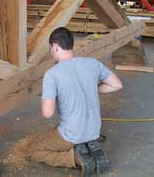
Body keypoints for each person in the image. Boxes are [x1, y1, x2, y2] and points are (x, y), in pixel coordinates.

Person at [26, 27, 123, 175]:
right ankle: (87, 145)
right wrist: (90, 88)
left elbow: (47, 113)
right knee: (71, 131)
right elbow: (117, 85)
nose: (51, 51)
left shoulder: (52, 74)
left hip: (72, 134)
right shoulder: (92, 63)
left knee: (33, 150)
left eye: (51, 48)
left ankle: (74, 158)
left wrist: (48, 96)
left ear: (55, 47)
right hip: (94, 130)